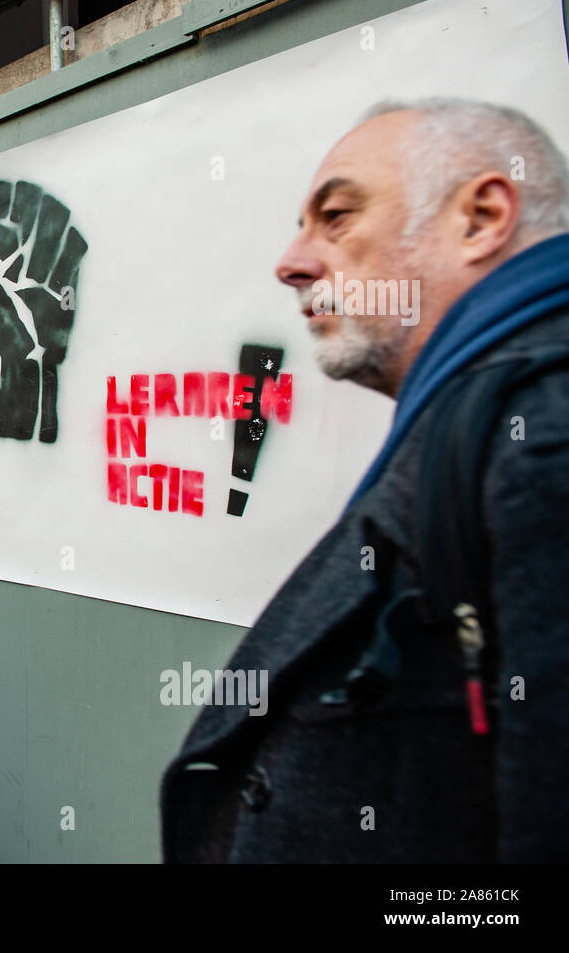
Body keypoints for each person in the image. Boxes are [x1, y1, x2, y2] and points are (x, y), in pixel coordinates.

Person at [161, 98, 569, 863]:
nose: (292, 261)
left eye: (337, 216)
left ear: (481, 217)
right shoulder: (477, 421)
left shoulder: (540, 440)